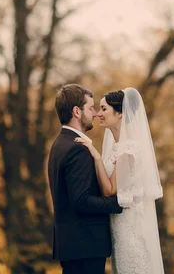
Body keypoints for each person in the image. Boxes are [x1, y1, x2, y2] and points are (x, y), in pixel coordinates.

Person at [75, 87, 165, 274]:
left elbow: (110, 190)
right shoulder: (119, 148)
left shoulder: (127, 150)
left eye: (104, 109)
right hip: (119, 229)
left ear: (120, 114)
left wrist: (96, 157)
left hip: (129, 231)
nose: (98, 114)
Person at [47, 84, 124, 274]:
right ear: (76, 111)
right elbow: (81, 200)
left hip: (74, 246)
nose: (96, 113)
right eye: (90, 108)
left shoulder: (60, 144)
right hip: (85, 245)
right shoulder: (76, 149)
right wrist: (116, 204)